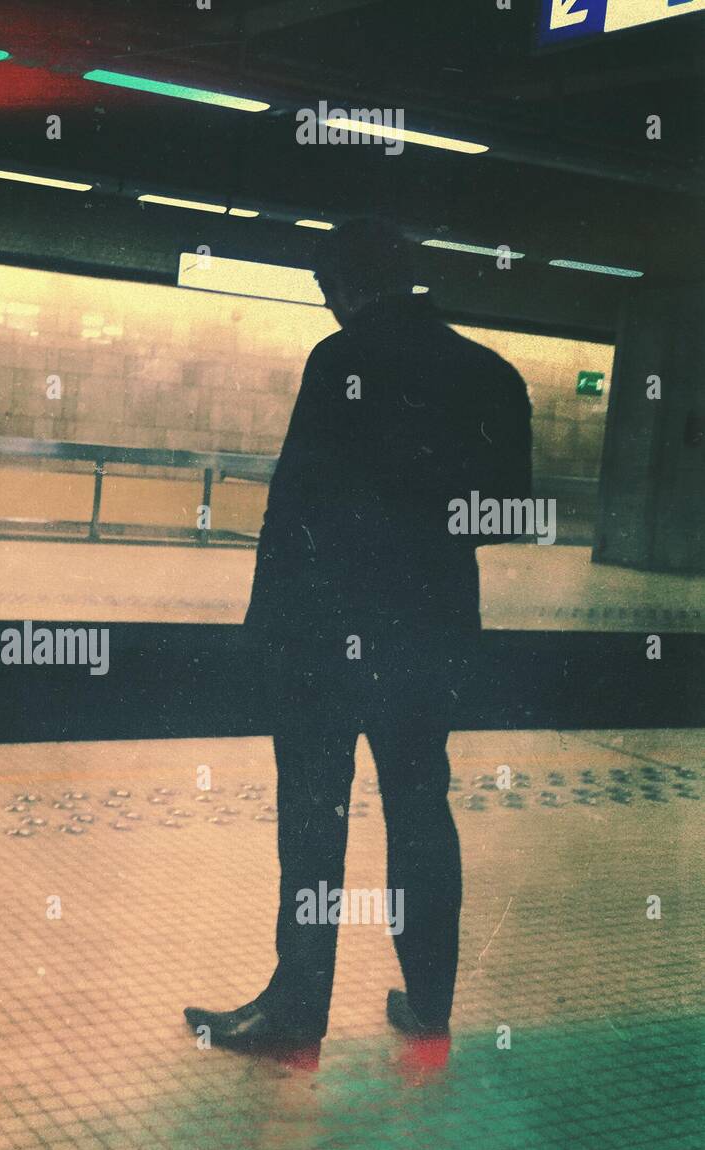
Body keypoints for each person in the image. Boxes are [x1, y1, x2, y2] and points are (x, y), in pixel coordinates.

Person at [185, 218, 532, 1055]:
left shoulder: (339, 362)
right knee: (419, 808)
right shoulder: (490, 372)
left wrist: (262, 629)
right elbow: (514, 513)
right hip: (431, 636)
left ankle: (298, 1008)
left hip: (323, 638)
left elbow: (292, 507)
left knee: (314, 817)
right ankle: (430, 1001)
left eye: (324, 288)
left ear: (345, 283)